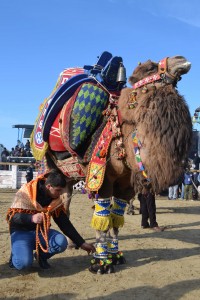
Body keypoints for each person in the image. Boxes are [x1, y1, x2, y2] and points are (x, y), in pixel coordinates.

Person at [6, 169, 95, 270]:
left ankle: (41, 257)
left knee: (61, 242)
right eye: (58, 190)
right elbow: (12, 217)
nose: (60, 194)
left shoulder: (55, 200)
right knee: (23, 264)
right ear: (49, 186)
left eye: (61, 191)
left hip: (41, 232)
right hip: (21, 232)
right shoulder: (26, 191)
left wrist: (81, 243)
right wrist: (31, 218)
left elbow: (64, 223)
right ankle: (16, 253)